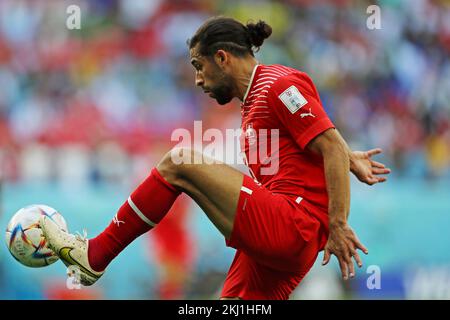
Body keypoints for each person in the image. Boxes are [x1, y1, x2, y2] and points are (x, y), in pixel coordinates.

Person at [40, 17, 391, 300]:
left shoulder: (276, 86)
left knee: (180, 163)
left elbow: (326, 142)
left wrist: (339, 222)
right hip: (285, 242)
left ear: (221, 57)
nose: (196, 80)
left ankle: (95, 256)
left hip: (293, 225)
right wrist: (349, 156)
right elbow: (316, 140)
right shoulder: (254, 101)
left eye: (198, 65)